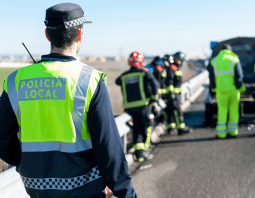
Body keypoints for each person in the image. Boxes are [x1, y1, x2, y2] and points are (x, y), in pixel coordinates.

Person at [0, 3, 137, 198]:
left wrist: (22, 161)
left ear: (48, 35)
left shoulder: (15, 81)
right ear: (79, 35)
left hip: (36, 188)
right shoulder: (90, 80)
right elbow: (108, 148)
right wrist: (126, 193)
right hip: (85, 189)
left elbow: (2, 137)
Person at [116, 51, 159, 162]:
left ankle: (139, 154)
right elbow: (155, 85)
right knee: (147, 128)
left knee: (136, 129)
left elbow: (117, 82)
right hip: (144, 106)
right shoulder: (144, 72)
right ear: (140, 61)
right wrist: (154, 98)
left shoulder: (124, 75)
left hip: (130, 108)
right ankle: (143, 151)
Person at [209, 44, 245, 139]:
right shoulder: (234, 59)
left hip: (220, 91)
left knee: (222, 111)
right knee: (234, 111)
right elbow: (239, 75)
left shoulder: (214, 61)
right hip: (233, 91)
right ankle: (233, 132)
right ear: (230, 50)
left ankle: (221, 134)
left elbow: (211, 77)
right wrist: (238, 86)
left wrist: (213, 88)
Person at [164, 54, 190, 135]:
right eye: (179, 59)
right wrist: (172, 94)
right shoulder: (173, 68)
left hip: (176, 94)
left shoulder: (176, 68)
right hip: (174, 95)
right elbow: (170, 82)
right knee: (177, 110)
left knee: (172, 111)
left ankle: (172, 128)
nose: (180, 61)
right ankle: (180, 128)